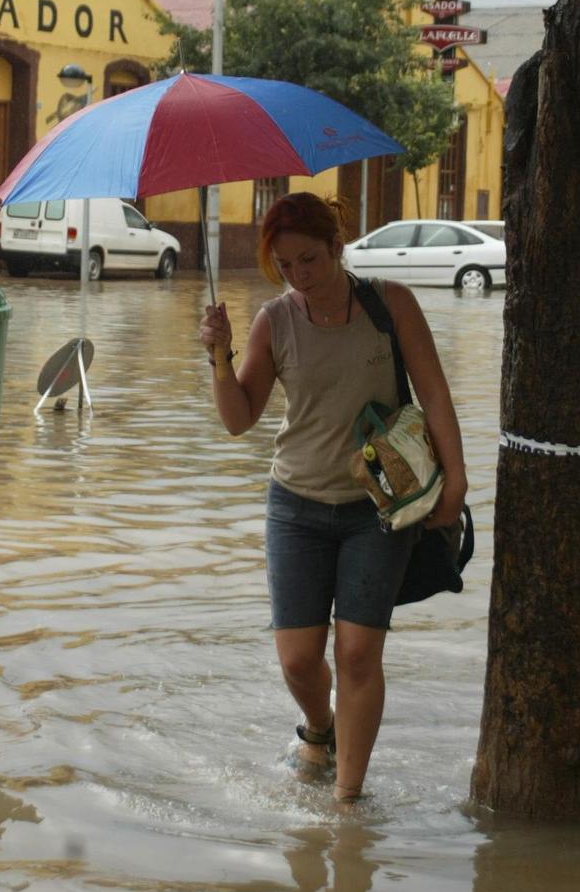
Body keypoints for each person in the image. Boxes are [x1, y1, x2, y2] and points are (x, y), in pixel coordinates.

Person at [199, 192, 467, 803]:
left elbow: (435, 394)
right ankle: (319, 729)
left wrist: (457, 480)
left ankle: (348, 798)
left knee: (356, 652)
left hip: (380, 507)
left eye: (310, 260)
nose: (299, 276)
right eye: (285, 265)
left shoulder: (390, 304)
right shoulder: (275, 320)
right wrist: (219, 355)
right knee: (297, 659)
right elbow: (239, 419)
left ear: (338, 248)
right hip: (294, 504)